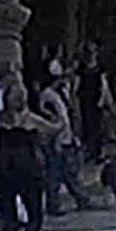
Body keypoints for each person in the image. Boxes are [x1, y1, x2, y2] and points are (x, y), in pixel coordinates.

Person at [0, 82, 63, 231]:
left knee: (9, 217)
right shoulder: (31, 120)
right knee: (35, 214)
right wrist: (57, 113)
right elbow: (55, 128)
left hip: (4, 169)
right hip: (28, 168)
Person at [40, 63, 93, 215]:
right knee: (54, 173)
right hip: (55, 139)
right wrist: (54, 138)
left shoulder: (62, 93)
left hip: (66, 137)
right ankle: (53, 204)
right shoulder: (48, 96)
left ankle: (81, 198)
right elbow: (52, 119)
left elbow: (68, 115)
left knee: (69, 171)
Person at [78, 44, 110, 165]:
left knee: (97, 126)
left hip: (96, 99)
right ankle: (90, 151)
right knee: (87, 126)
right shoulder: (82, 67)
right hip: (85, 99)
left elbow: (104, 85)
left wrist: (102, 100)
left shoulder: (99, 67)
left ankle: (98, 152)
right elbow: (78, 83)